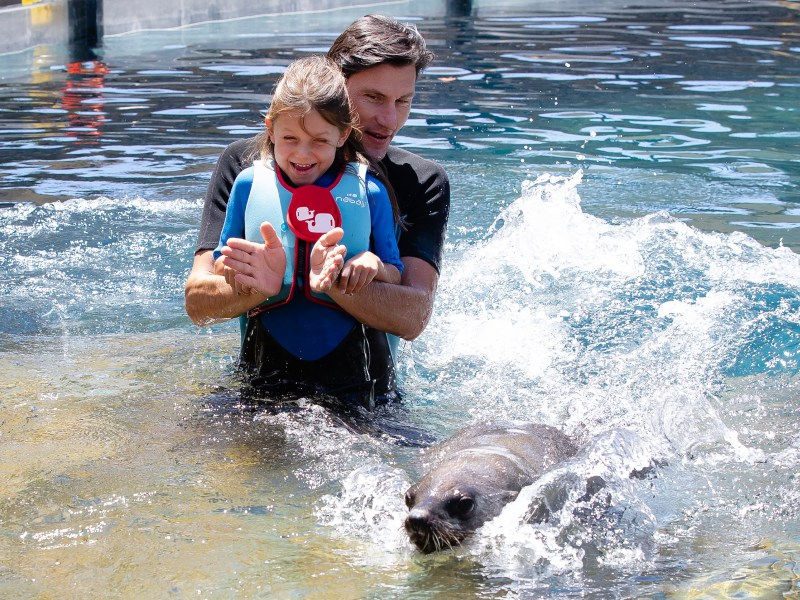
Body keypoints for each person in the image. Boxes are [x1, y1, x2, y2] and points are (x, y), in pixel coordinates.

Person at [185, 15, 450, 407]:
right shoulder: (246, 168)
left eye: (403, 101)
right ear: (335, 88)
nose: (389, 119)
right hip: (262, 381)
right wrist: (258, 285)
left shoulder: (422, 181)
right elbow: (198, 301)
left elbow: (412, 317)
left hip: (364, 394)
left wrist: (330, 281)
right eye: (373, 98)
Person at [211, 56, 404, 402]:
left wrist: (371, 265)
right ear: (270, 128)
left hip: (354, 371)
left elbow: (394, 272)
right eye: (289, 138)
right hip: (264, 364)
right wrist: (241, 270)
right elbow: (220, 263)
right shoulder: (248, 185)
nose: (303, 153)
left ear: (343, 135)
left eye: (318, 140)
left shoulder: (368, 191)